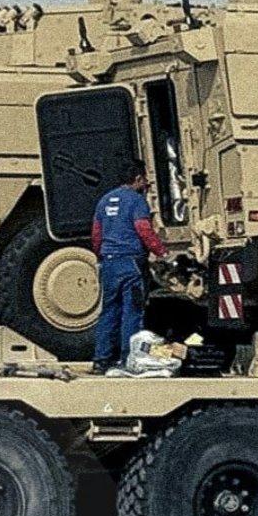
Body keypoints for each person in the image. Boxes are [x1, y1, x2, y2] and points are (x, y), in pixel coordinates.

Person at [91, 160, 166, 373]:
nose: (146, 183)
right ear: (138, 179)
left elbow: (96, 234)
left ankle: (101, 359)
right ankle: (129, 358)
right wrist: (161, 252)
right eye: (145, 179)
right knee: (132, 311)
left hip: (109, 263)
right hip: (131, 263)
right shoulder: (136, 201)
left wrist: (102, 255)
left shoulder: (104, 200)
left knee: (109, 311)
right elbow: (143, 229)